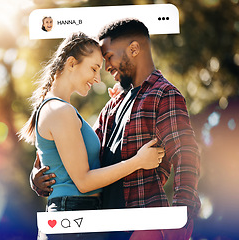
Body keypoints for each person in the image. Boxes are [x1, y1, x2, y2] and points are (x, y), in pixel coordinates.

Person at [31, 19, 201, 240]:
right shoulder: (113, 103)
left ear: (133, 49)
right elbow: (80, 154)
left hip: (141, 223)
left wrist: (182, 218)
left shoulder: (163, 94)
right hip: (104, 225)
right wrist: (36, 176)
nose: (106, 67)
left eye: (108, 57)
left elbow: (186, 155)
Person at [18, 32, 165, 240]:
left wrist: (118, 103)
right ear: (71, 63)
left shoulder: (60, 110)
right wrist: (138, 162)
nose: (97, 79)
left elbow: (83, 155)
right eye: (94, 68)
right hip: (73, 221)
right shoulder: (60, 112)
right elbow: (84, 182)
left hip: (78, 219)